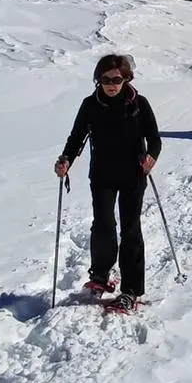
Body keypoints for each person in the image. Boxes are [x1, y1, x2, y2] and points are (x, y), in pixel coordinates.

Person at [55, 54, 160, 313]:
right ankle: (101, 274)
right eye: (105, 79)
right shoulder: (90, 105)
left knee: (130, 229)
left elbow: (154, 138)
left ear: (126, 79)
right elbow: (76, 137)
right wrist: (66, 159)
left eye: (117, 79)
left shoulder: (139, 103)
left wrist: (151, 157)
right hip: (102, 174)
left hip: (133, 174)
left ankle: (131, 290)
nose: (111, 84)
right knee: (102, 224)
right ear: (98, 80)